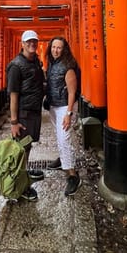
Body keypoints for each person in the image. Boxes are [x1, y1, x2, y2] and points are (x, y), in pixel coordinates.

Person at [6, 29, 45, 201]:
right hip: (23, 114)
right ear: (22, 44)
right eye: (28, 41)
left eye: (34, 42)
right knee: (21, 150)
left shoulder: (35, 60)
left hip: (34, 112)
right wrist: (14, 122)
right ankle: (21, 188)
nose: (32, 44)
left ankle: (25, 173)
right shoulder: (16, 66)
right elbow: (13, 95)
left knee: (27, 147)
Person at [45, 36, 82, 196]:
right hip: (54, 105)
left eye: (59, 47)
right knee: (59, 136)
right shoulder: (52, 64)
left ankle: (72, 175)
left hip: (64, 108)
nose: (56, 50)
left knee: (64, 138)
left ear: (64, 49)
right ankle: (62, 159)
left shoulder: (68, 66)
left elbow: (72, 92)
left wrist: (69, 113)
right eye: (53, 47)